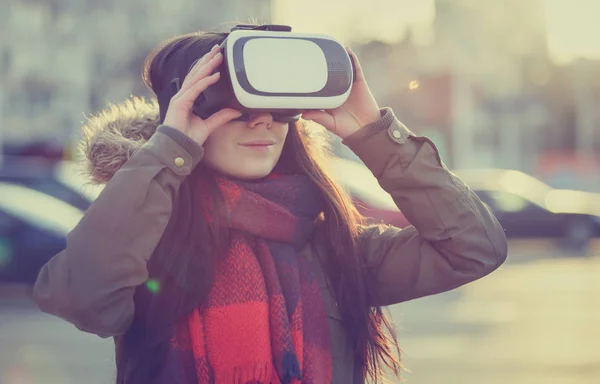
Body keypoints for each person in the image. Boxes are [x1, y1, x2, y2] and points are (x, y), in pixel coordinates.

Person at [33, 29, 507, 384]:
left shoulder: (334, 246)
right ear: (187, 112)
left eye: (280, 109)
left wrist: (375, 136)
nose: (262, 121)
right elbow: (82, 298)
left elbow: (473, 248)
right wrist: (167, 150)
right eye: (234, 106)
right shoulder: (149, 237)